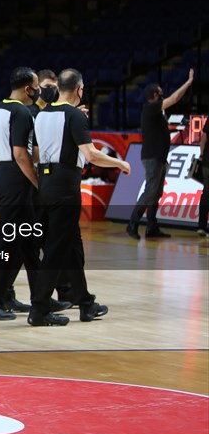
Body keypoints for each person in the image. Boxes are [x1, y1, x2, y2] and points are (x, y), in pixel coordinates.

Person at [32, 69, 130, 326]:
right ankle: (39, 310)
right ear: (79, 90)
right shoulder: (75, 115)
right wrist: (119, 163)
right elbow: (91, 155)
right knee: (55, 249)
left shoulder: (43, 114)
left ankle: (85, 303)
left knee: (73, 248)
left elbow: (43, 147)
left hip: (46, 181)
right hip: (65, 184)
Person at [0, 67, 43, 321]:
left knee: (26, 245)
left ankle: (39, 300)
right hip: (18, 178)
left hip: (3, 177)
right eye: (36, 87)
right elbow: (21, 154)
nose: (38, 91)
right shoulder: (22, 112)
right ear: (28, 89)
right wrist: (38, 184)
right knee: (5, 245)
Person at [127, 70, 194, 240]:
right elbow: (174, 99)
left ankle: (151, 227)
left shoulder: (156, 111)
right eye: (160, 91)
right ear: (156, 95)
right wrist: (188, 82)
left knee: (156, 193)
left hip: (158, 157)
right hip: (151, 157)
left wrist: (164, 159)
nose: (163, 94)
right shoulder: (150, 107)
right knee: (150, 192)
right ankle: (132, 224)